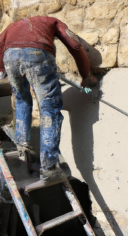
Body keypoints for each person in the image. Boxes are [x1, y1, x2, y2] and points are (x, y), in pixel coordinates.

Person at [0, 16, 97, 183]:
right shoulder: (52, 21)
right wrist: (87, 77)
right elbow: (75, 44)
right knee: (49, 108)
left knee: (22, 100)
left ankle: (23, 152)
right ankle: (50, 167)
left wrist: (3, 71)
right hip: (38, 55)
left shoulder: (12, 27)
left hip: (10, 58)